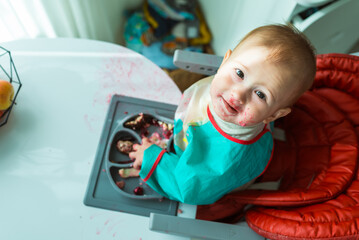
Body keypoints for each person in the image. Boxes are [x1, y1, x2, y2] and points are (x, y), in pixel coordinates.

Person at [125, 24, 316, 205]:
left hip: (207, 176)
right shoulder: (235, 96)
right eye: (240, 73)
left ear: (274, 115)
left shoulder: (226, 156)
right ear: (226, 60)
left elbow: (189, 188)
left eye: (260, 94)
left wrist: (151, 159)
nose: (238, 94)